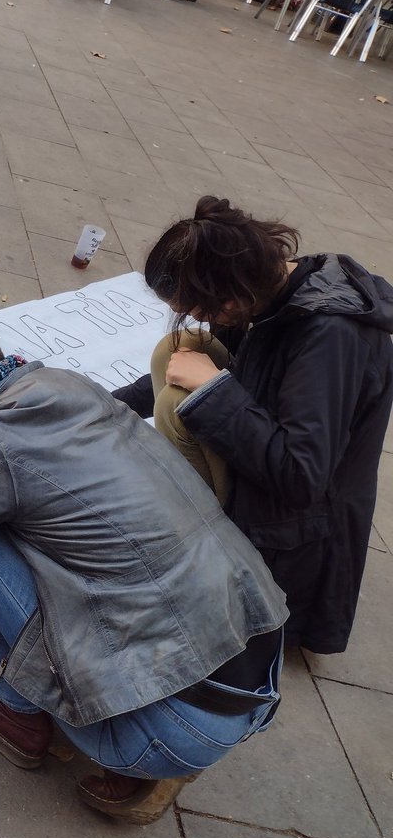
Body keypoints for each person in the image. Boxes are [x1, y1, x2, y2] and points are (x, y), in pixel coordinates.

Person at [0, 309, 288, 825]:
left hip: (173, 725)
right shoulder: (67, 385)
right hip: (255, 677)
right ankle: (154, 739)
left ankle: (14, 708)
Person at [114, 196, 393, 655]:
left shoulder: (330, 336)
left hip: (298, 523)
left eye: (202, 307)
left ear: (233, 290)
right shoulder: (266, 289)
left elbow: (302, 477)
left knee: (178, 401)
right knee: (179, 349)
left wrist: (212, 393)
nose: (201, 316)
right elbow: (176, 367)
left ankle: (202, 534)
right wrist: (99, 407)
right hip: (273, 453)